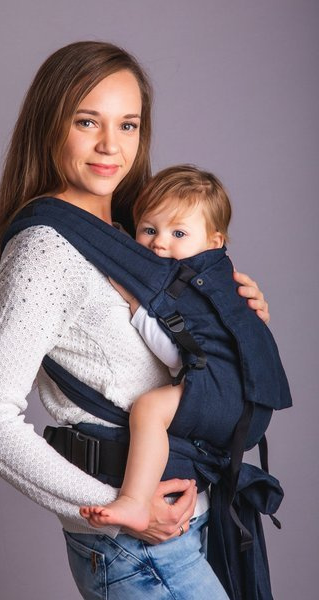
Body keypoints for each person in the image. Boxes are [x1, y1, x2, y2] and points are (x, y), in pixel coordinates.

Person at [0, 41, 269, 599]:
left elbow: (181, 359)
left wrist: (240, 324)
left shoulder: (137, 234)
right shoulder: (45, 251)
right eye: (87, 122)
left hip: (194, 516)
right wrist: (121, 508)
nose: (111, 145)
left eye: (128, 125)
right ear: (50, 126)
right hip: (138, 545)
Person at [79, 164, 233, 532]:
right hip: (223, 393)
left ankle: (134, 501)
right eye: (149, 230)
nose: (160, 242)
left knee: (148, 408)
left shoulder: (198, 285)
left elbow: (183, 354)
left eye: (178, 233)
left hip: (220, 390)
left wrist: (136, 306)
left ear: (214, 242)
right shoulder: (198, 275)